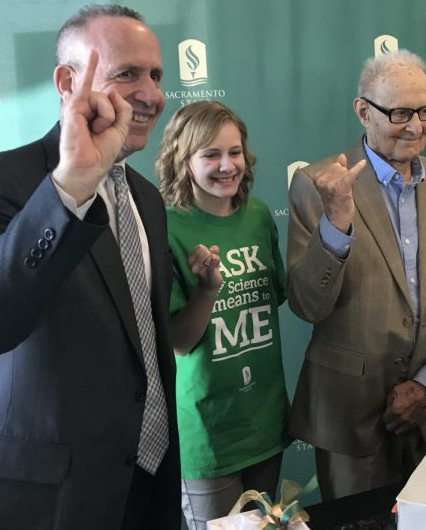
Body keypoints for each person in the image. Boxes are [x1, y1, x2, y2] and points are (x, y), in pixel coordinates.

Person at [0, 4, 180, 529]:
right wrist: (70, 187)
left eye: (156, 75)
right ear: (68, 81)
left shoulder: (147, 198)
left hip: (145, 485)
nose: (151, 94)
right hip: (39, 500)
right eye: (127, 74)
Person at [287, 50, 426, 500]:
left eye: (423, 110)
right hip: (349, 415)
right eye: (399, 112)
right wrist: (336, 223)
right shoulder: (317, 183)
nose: (415, 126)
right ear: (363, 111)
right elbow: (306, 305)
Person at [155, 101, 290, 529]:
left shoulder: (259, 216)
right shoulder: (166, 227)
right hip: (207, 433)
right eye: (210, 155)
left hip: (266, 422)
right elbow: (179, 341)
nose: (227, 165)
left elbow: (277, 296)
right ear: (183, 160)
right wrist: (208, 291)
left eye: (234, 152)